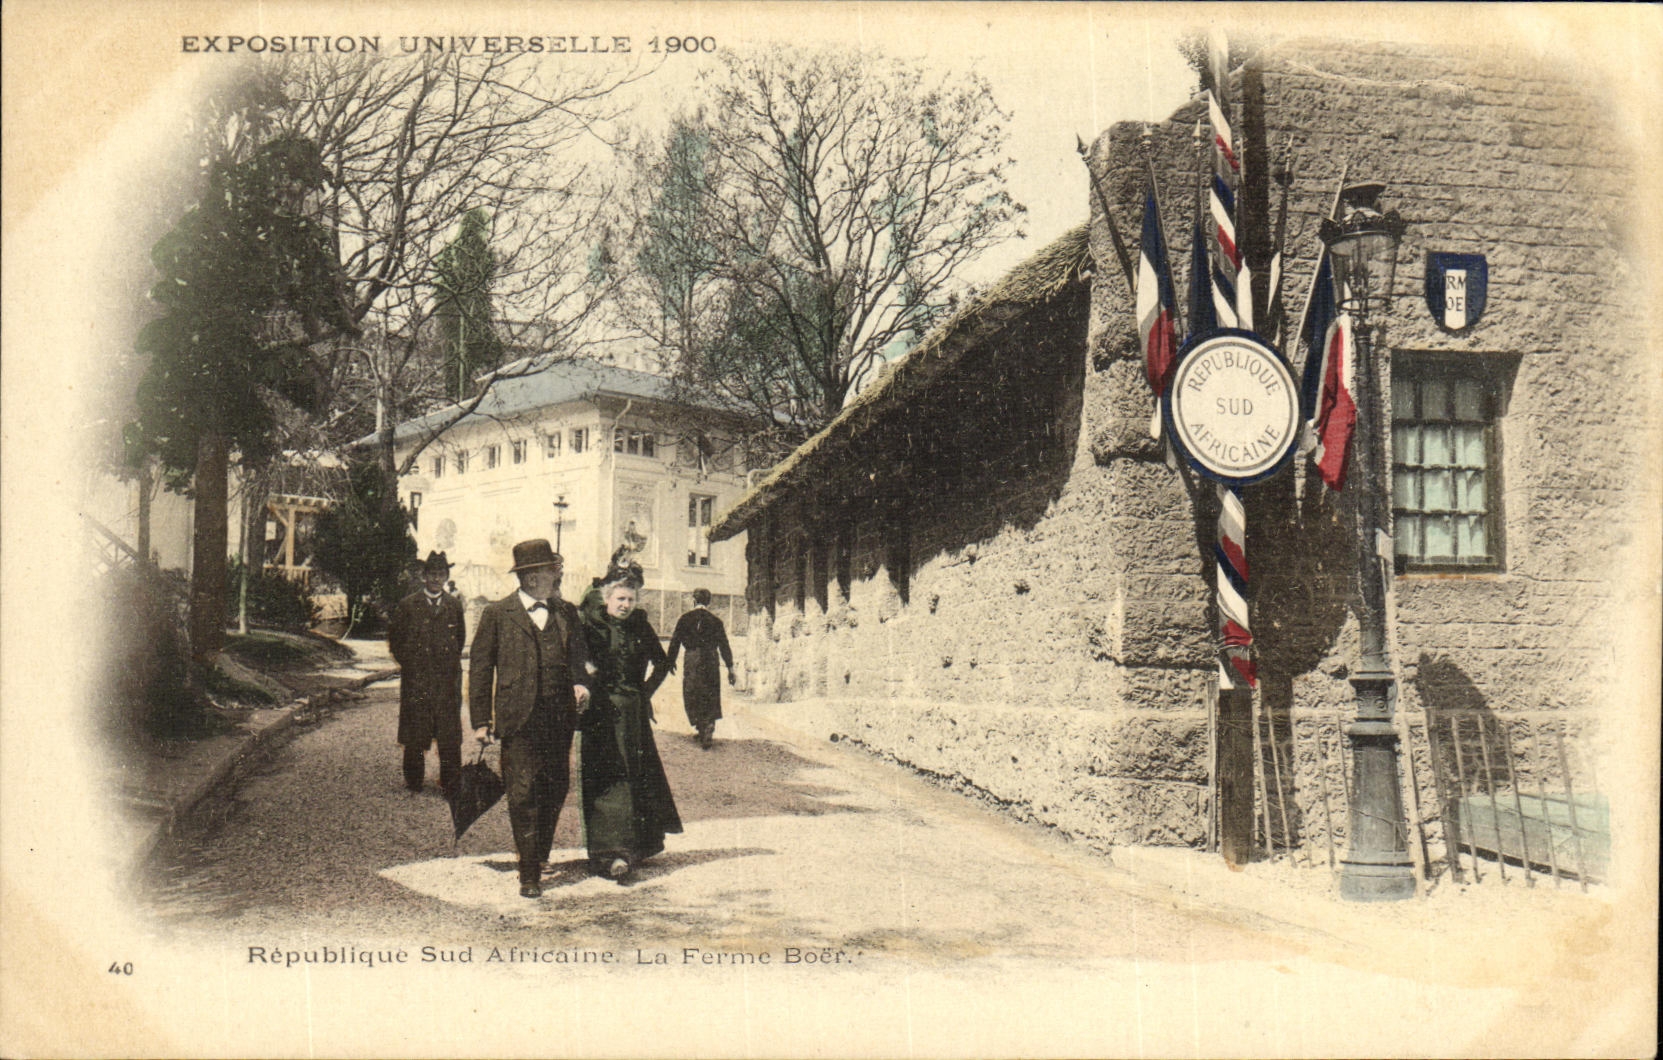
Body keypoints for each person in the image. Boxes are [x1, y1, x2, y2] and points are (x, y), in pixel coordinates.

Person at [468, 540, 590, 899]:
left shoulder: (567, 612)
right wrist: (480, 720)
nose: (559, 574)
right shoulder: (497, 613)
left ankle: (539, 854)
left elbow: (583, 659)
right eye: (554, 569)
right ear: (534, 576)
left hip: (559, 718)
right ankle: (528, 872)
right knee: (522, 793)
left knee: (555, 788)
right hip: (517, 718)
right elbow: (479, 669)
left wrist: (583, 683)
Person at [575, 563, 682, 882]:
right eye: (620, 598)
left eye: (630, 600)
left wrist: (642, 693)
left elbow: (663, 664)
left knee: (636, 776)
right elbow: (576, 664)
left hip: (633, 714)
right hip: (600, 715)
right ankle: (608, 853)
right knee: (607, 777)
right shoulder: (591, 625)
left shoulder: (640, 625)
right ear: (606, 597)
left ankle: (632, 848)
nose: (625, 605)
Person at [387, 551, 466, 796]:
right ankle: (414, 781)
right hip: (417, 680)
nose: (436, 578)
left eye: (441, 574)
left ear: (446, 576)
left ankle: (450, 782)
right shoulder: (408, 605)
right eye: (432, 574)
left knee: (449, 734)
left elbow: (460, 640)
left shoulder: (454, 606)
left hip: (446, 681)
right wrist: (412, 665)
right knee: (414, 733)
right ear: (424, 576)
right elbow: (396, 642)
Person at [666, 588, 735, 749]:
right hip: (711, 658)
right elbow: (724, 645)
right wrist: (730, 667)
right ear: (709, 602)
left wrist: (670, 662)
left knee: (692, 690)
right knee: (710, 690)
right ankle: (707, 724)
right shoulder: (716, 621)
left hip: (692, 658)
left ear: (694, 601)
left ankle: (700, 725)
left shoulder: (685, 619)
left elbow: (675, 642)